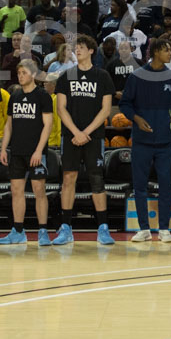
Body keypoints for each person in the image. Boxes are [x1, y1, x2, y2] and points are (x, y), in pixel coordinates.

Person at [54, 34, 116, 246]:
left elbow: (106, 109)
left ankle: (103, 228)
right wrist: (76, 132)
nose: (77, 50)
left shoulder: (103, 76)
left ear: (91, 51)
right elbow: (60, 108)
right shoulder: (66, 76)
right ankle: (66, 227)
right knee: (68, 179)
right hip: (70, 136)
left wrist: (86, 132)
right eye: (75, 47)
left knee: (96, 179)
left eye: (81, 47)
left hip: (94, 136)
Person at [120, 38, 171, 243]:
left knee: (165, 184)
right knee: (140, 185)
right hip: (141, 141)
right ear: (155, 52)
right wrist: (137, 119)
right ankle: (143, 228)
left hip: (165, 141)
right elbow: (125, 104)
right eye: (166, 50)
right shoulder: (137, 76)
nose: (170, 54)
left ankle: (164, 229)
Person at [0, 59, 54, 244]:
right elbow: (9, 125)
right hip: (17, 151)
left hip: (36, 152)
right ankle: (18, 231)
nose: (20, 76)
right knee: (16, 190)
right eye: (19, 73)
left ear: (34, 74)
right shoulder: (15, 96)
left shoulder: (42, 96)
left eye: (24, 73)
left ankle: (43, 231)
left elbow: (48, 125)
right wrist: (4, 148)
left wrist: (38, 151)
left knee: (39, 190)